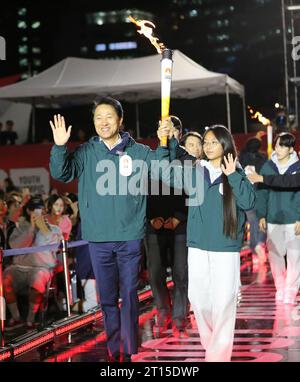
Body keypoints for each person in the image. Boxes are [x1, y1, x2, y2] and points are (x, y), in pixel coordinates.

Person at [49, 96, 174, 362]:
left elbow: (163, 170)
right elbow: (62, 174)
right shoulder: (85, 152)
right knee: (107, 299)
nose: (104, 122)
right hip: (98, 238)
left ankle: (128, 351)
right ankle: (113, 350)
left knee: (128, 294)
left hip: (129, 236)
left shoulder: (137, 151)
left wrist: (165, 142)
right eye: (98, 118)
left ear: (120, 120)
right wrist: (60, 147)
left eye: (109, 117)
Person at [162, 125, 255, 361]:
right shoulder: (195, 170)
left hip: (225, 247)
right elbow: (168, 174)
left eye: (214, 142)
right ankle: (213, 348)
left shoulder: (236, 170)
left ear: (225, 145)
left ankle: (217, 356)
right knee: (199, 299)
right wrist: (169, 143)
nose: (208, 146)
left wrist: (233, 174)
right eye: (206, 142)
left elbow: (249, 201)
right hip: (198, 245)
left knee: (224, 303)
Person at [255, 132, 300, 305]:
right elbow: (262, 192)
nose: (278, 149)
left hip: (293, 219)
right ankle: (280, 287)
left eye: (282, 146)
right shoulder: (268, 167)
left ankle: (291, 290)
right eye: (277, 145)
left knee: (295, 256)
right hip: (273, 218)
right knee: (275, 255)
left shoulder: (297, 167)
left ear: (290, 149)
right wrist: (261, 214)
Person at [239, 137, 268, 264]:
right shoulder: (263, 160)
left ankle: (255, 246)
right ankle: (259, 243)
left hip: (247, 195)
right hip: (260, 193)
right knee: (261, 221)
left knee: (252, 222)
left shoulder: (241, 159)